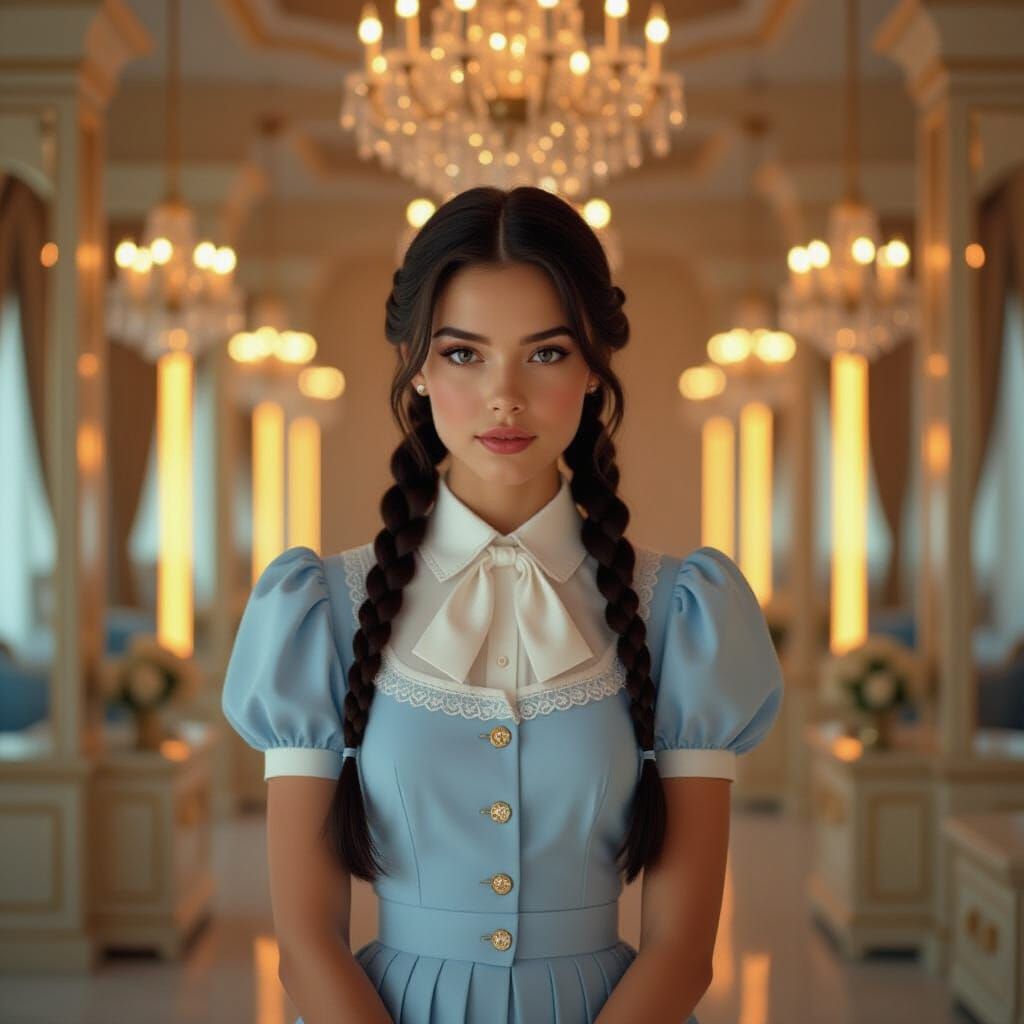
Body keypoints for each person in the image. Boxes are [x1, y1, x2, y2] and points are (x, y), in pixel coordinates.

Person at [221, 185, 784, 1024]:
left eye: (547, 354)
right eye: (463, 354)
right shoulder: (319, 612)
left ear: (594, 367)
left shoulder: (683, 614)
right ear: (416, 364)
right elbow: (306, 943)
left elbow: (683, 948)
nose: (505, 396)